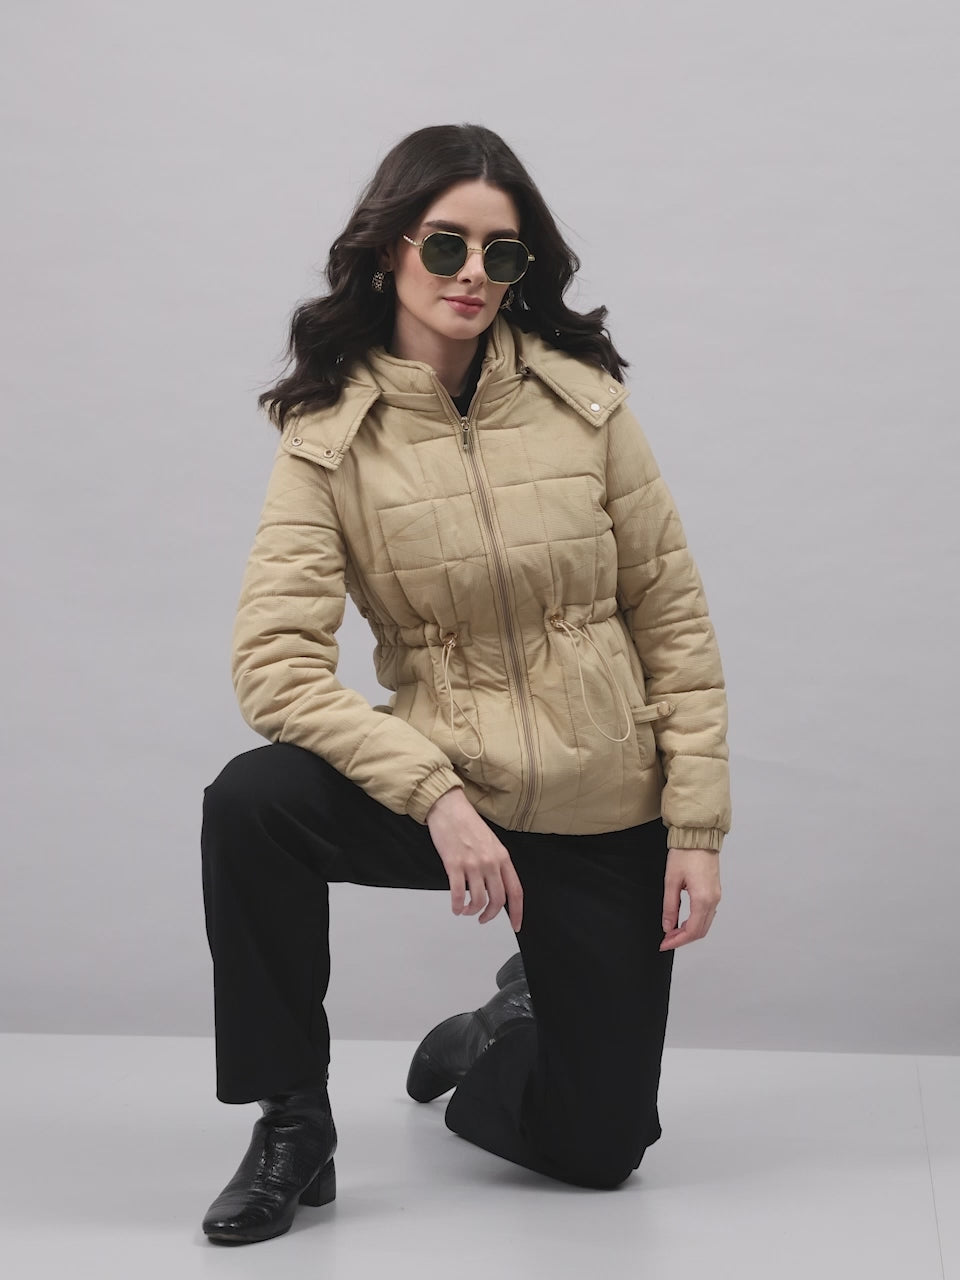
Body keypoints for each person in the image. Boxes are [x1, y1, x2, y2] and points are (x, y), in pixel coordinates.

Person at [200, 122, 731, 1246]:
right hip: (452, 783)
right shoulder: (329, 436)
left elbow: (672, 618)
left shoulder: (586, 405)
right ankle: (292, 1121)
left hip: (602, 805)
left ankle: (503, 1026)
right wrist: (435, 795)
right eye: (447, 246)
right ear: (390, 250)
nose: (474, 275)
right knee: (251, 803)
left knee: (599, 1151)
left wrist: (696, 824)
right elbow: (275, 664)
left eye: (503, 252)